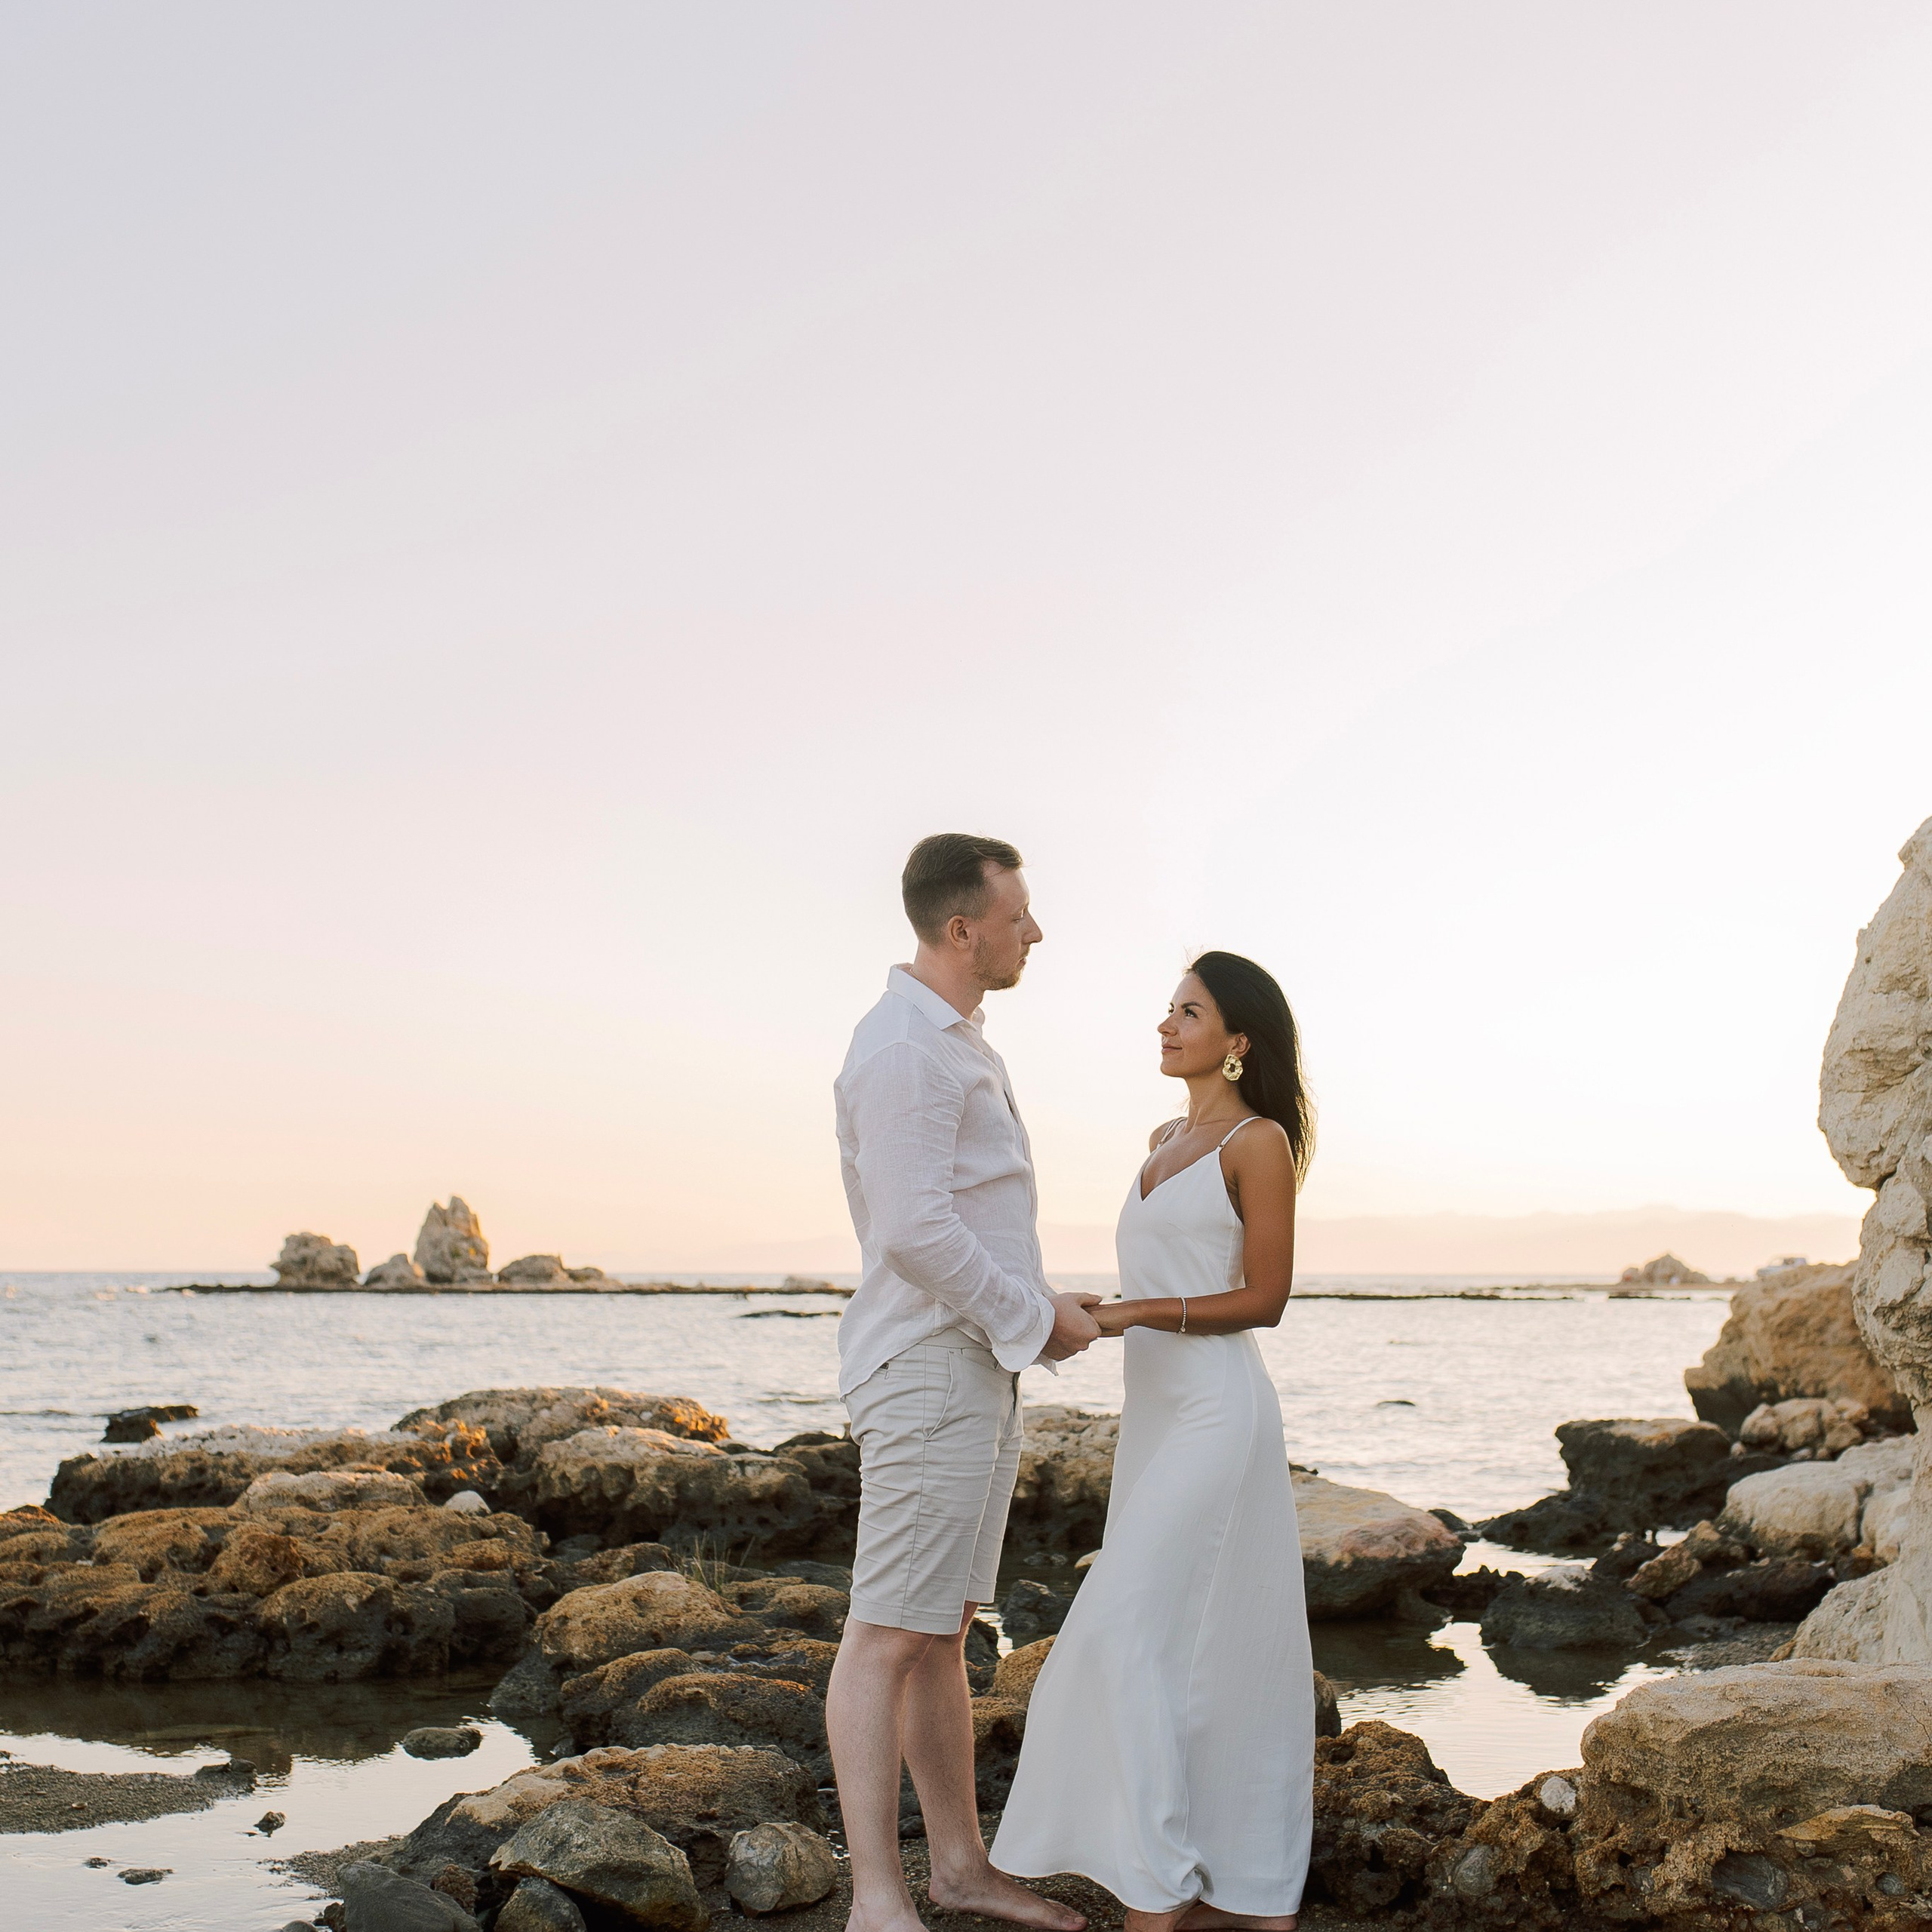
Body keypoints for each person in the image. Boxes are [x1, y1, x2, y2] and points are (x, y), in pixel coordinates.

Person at [991, 950, 1318, 1932]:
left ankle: (1163, 1885)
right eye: (1167, 1009)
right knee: (1196, 1648)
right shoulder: (1161, 1138)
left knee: (1124, 1628)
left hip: (1220, 1415)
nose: (1167, 1026)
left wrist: (1134, 1314)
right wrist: (1094, 1307)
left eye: (1190, 1012)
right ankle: (1216, 1881)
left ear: (1238, 1042)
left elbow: (1266, 1298)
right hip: (1159, 1420)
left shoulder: (1256, 1143)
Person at [828, 832, 1105, 1932]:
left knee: (940, 1626)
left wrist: (1036, 1307)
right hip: (930, 1368)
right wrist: (1036, 1318)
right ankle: (876, 1899)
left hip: (971, 1364)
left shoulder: (956, 1042)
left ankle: (960, 1868)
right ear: (962, 928)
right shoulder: (906, 1048)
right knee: (884, 1634)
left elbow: (964, 1221)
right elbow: (911, 1231)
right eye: (1019, 914)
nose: (1034, 931)